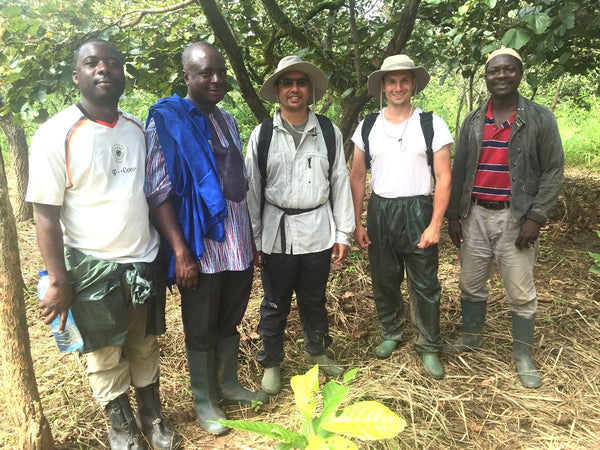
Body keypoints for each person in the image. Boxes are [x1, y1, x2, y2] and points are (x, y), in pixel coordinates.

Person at [26, 39, 177, 450]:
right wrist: (58, 279)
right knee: (103, 352)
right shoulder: (54, 134)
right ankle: (121, 426)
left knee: (143, 342)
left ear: (123, 73)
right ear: (77, 76)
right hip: (91, 265)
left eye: (112, 63)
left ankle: (152, 415)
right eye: (92, 63)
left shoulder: (134, 129)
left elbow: (148, 195)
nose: (103, 69)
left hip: (141, 259)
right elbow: (46, 215)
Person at [144, 42, 268, 435]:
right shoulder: (166, 121)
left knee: (230, 318)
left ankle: (227, 384)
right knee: (200, 324)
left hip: (236, 241)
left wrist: (251, 240)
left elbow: (237, 185)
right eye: (204, 73)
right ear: (186, 76)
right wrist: (181, 252)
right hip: (199, 247)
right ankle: (204, 399)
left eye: (220, 72)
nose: (215, 80)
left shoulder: (227, 119)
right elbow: (159, 190)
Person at [444, 48, 564, 388]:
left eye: (508, 70)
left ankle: (523, 356)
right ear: (485, 77)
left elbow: (554, 170)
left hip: (516, 217)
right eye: (494, 71)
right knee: (470, 282)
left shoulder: (540, 118)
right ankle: (471, 336)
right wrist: (454, 215)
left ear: (519, 74)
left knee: (521, 290)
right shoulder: (472, 120)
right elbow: (461, 168)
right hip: (476, 214)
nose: (501, 75)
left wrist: (536, 216)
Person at [245, 55, 355, 394]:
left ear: (309, 89)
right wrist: (255, 239)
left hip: (317, 228)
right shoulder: (262, 135)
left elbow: (339, 181)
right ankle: (272, 362)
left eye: (301, 82)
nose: (294, 88)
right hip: (276, 231)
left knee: (314, 298)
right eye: (287, 82)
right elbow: (252, 188)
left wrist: (343, 232)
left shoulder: (327, 131)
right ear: (277, 90)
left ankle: (317, 350)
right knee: (275, 302)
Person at [349, 55, 453, 380]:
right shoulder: (367, 125)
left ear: (413, 84)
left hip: (418, 209)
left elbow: (444, 177)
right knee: (384, 276)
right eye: (391, 81)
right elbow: (356, 176)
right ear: (382, 86)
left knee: (424, 281)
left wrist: (436, 223)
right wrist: (357, 221)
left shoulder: (431, 124)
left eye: (404, 80)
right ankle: (391, 331)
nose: (398, 87)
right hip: (381, 209)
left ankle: (428, 344)